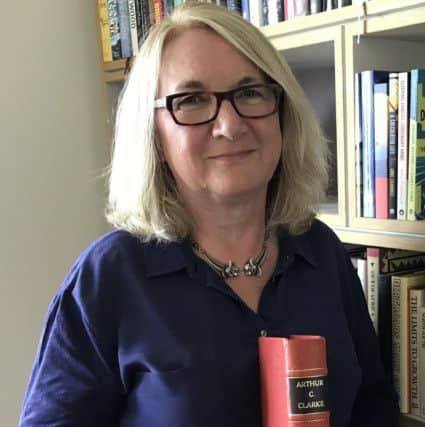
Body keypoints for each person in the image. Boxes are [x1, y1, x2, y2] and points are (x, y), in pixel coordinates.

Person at [19, 2, 399, 426]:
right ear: (156, 138)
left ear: (283, 113)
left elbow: (373, 403)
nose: (230, 125)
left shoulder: (322, 251)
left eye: (250, 92)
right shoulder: (107, 277)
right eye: (193, 99)